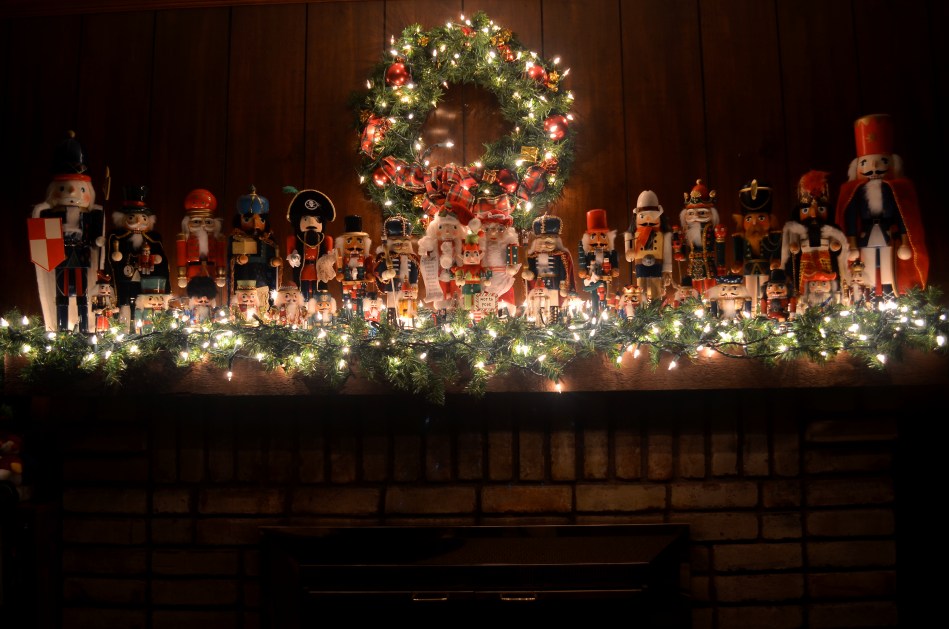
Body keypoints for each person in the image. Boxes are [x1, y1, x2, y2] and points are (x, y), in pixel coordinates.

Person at [835, 113, 928, 299]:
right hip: (866, 236)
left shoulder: (894, 190)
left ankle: (888, 297)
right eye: (866, 162)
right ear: (857, 166)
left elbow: (903, 215)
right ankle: (870, 299)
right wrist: (852, 244)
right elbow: (850, 218)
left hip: (887, 235)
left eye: (882, 161)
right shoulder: (855, 192)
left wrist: (903, 241)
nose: (874, 166)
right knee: (867, 267)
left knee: (887, 267)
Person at [30, 131, 105, 333]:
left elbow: (97, 238)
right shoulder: (49, 215)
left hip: (81, 257)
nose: (72, 193)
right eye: (63, 189)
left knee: (83, 294)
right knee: (61, 294)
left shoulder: (92, 215)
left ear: (87, 192)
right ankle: (61, 327)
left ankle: (84, 326)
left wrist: (98, 241)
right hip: (60, 257)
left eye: (80, 190)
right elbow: (42, 240)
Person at [781, 170, 849, 314]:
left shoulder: (831, 230)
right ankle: (804, 304)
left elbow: (837, 244)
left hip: (826, 258)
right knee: (805, 281)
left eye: (821, 209)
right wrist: (794, 247)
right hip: (805, 259)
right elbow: (792, 249)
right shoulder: (796, 231)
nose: (813, 214)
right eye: (806, 209)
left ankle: (830, 306)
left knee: (826, 279)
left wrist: (834, 245)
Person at [107, 184, 169, 329]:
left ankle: (142, 328)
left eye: (143, 217)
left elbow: (161, 258)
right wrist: (116, 256)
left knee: (141, 302)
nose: (137, 222)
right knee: (124, 301)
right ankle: (124, 328)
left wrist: (156, 258)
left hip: (145, 277)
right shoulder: (117, 237)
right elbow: (112, 257)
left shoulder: (153, 238)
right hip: (125, 276)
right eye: (132, 217)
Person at [731, 179, 782, 314]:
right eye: (749, 219)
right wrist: (738, 263)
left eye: (760, 218)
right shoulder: (740, 237)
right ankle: (751, 312)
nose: (754, 223)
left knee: (765, 288)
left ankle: (764, 311)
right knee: (750, 290)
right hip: (749, 267)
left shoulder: (773, 235)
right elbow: (738, 254)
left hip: (765, 266)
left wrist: (776, 260)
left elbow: (776, 249)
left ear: (770, 219)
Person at [228, 185, 281, 310]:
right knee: (244, 300)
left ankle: (263, 314)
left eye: (260, 220)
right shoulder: (236, 238)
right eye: (248, 219)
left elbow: (271, 257)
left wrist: (273, 261)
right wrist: (238, 260)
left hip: (262, 276)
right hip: (243, 276)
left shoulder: (268, 241)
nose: (255, 225)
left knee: (262, 300)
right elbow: (229, 258)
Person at [674, 179, 726, 297]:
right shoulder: (686, 230)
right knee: (694, 287)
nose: (696, 216)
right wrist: (679, 252)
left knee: (710, 286)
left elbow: (720, 247)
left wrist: (721, 266)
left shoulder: (714, 229)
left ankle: (711, 305)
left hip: (709, 261)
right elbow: (682, 248)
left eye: (701, 213)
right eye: (691, 213)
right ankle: (694, 306)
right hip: (693, 263)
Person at [284, 187, 337, 303]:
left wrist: (328, 261)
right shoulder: (294, 238)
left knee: (319, 295)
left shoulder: (326, 239)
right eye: (306, 219)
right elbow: (289, 257)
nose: (312, 223)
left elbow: (330, 257)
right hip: (302, 272)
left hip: (318, 272)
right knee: (302, 294)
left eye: (317, 219)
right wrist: (293, 258)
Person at [521, 213, 575, 325]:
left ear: (556, 240)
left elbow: (564, 271)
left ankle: (553, 324)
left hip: (554, 286)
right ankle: (538, 325)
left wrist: (563, 285)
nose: (545, 244)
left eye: (549, 241)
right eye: (541, 240)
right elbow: (530, 273)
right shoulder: (532, 257)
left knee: (553, 307)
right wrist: (528, 275)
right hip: (537, 288)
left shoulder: (561, 256)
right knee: (538, 307)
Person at [176, 188, 227, 306]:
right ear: (187, 223)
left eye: (208, 222)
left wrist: (221, 275)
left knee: (209, 295)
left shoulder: (217, 238)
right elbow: (181, 256)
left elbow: (220, 257)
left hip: (211, 270)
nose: (203, 225)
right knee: (195, 294)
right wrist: (181, 275)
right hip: (193, 270)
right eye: (197, 222)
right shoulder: (184, 237)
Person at [624, 190, 672, 304]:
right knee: (641, 287)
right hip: (640, 263)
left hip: (657, 263)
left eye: (653, 216)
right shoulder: (632, 235)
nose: (648, 220)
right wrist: (629, 253)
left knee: (656, 286)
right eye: (643, 216)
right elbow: (629, 256)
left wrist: (667, 270)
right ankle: (642, 309)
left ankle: (655, 309)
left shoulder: (663, 235)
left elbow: (667, 253)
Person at [374, 215, 420, 326]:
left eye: (405, 243)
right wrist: (386, 274)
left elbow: (414, 270)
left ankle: (409, 325)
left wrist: (414, 283)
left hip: (408, 286)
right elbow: (379, 271)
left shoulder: (411, 257)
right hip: (392, 286)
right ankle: (392, 324)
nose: (401, 246)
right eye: (397, 243)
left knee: (408, 305)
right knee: (392, 303)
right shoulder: (384, 257)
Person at [578, 209, 620, 317]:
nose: (598, 242)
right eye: (593, 237)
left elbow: (614, 261)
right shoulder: (588, 254)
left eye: (602, 236)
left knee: (607, 294)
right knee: (594, 294)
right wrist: (583, 271)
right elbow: (582, 262)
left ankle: (607, 312)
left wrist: (615, 269)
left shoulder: (610, 252)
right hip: (592, 278)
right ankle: (595, 312)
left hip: (606, 277)